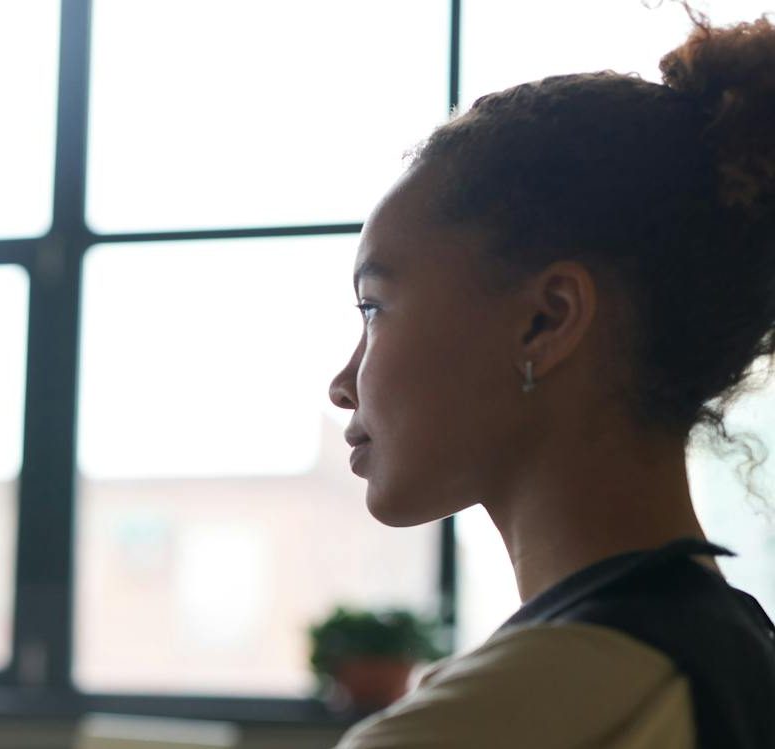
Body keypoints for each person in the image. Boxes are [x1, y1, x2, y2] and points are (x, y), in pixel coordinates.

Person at [326, 8, 775, 749]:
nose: (344, 382)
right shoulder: (738, 656)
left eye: (374, 307)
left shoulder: (513, 716)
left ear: (547, 319)